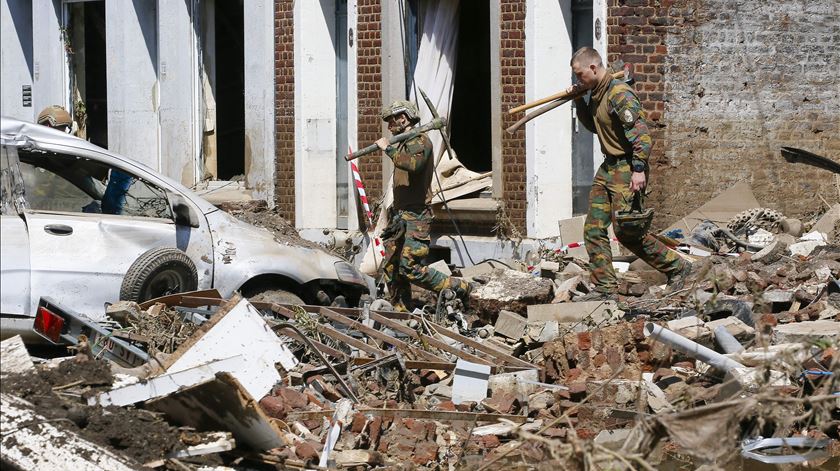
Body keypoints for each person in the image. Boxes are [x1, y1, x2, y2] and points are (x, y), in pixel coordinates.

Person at [566, 48, 691, 300]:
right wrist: (579, 99)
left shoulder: (619, 93)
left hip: (627, 167)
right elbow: (595, 126)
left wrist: (638, 169)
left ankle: (678, 268)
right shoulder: (598, 94)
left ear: (593, 68)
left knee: (627, 232)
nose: (578, 80)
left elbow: (642, 135)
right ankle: (605, 288)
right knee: (593, 229)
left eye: (580, 75)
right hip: (608, 167)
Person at [375, 100, 471, 311]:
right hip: (399, 216)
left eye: (392, 121)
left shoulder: (421, 142)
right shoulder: (405, 143)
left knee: (411, 268)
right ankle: (401, 312)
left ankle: (458, 286)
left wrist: (388, 149)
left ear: (403, 118)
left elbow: (413, 165)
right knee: (392, 267)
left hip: (417, 216)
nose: (389, 126)